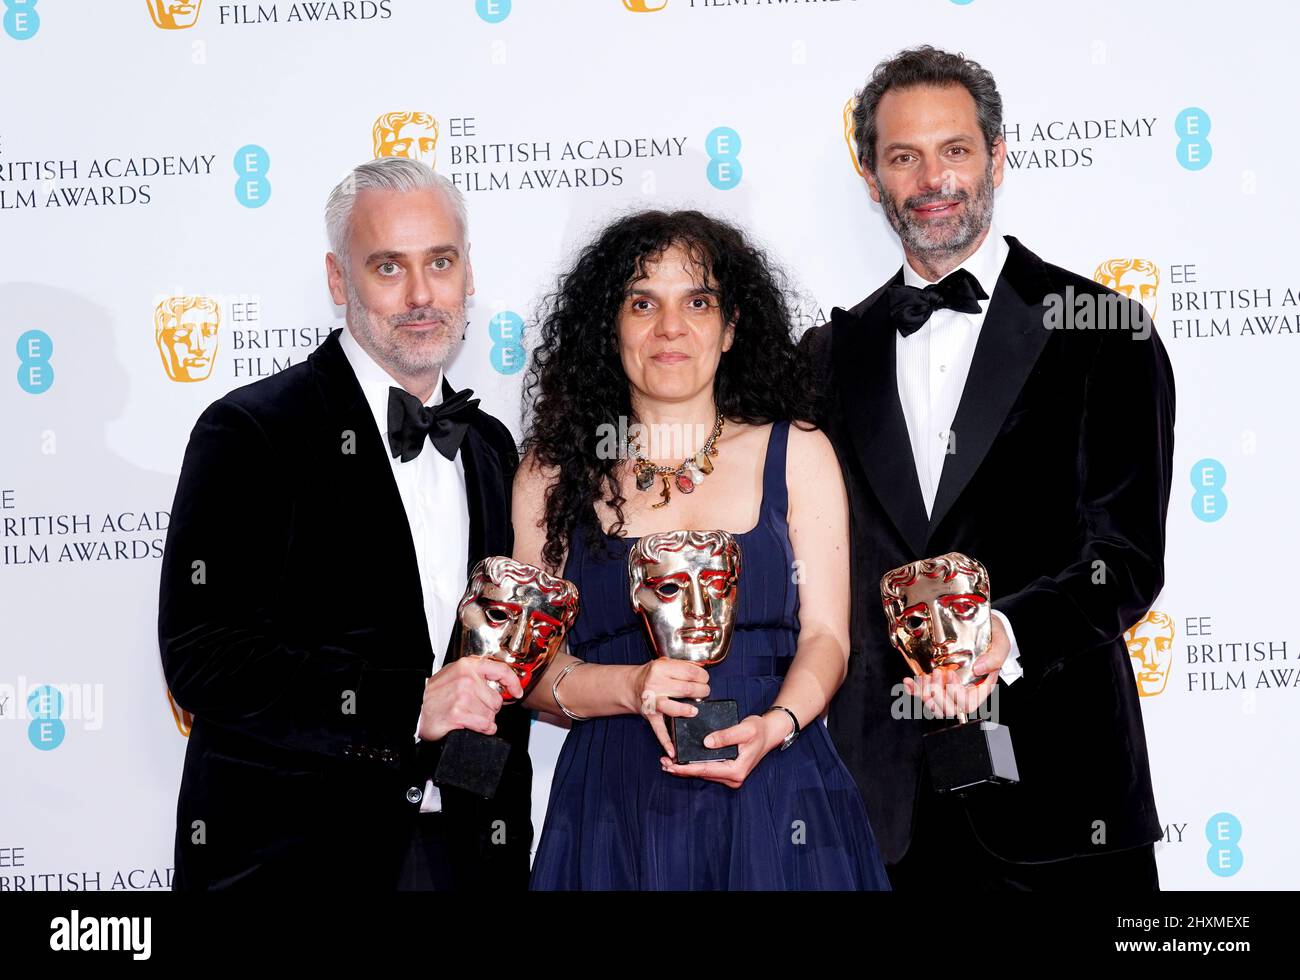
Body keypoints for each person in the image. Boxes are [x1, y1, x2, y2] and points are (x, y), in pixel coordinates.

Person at [802, 45, 1174, 890]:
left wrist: (1000, 636)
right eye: (903, 157)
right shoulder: (827, 356)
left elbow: (1126, 560)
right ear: (871, 178)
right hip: (882, 813)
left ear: (998, 155)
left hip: (1064, 799)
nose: (932, 178)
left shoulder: (1105, 332)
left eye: (955, 150)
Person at [158, 157, 532, 890]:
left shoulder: (489, 446)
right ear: (339, 282)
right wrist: (406, 707)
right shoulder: (253, 431)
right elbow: (202, 654)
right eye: (388, 266)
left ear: (469, 275)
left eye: (441, 262)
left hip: (467, 856)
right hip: (298, 861)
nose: (422, 295)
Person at [514, 209, 889, 890]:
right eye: (641, 302)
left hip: (780, 789)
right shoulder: (551, 472)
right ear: (611, 326)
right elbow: (531, 670)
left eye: (697, 301)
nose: (669, 327)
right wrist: (628, 687)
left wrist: (778, 724)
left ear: (731, 326)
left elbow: (829, 636)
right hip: (612, 806)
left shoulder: (797, 451)